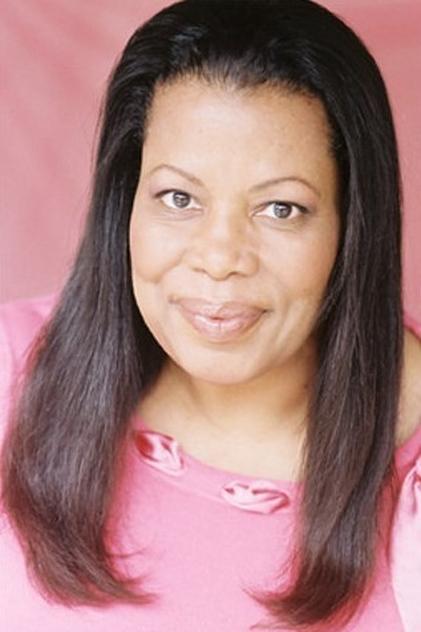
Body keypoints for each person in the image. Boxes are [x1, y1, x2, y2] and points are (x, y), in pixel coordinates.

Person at [0, 0, 420, 630]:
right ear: (126, 202)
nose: (221, 259)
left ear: (351, 225)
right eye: (179, 198)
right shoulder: (10, 370)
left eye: (280, 209)